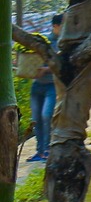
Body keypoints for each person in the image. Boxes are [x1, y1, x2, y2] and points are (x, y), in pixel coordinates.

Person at [26, 17, 56, 163]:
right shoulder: (46, 41)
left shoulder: (63, 43)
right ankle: (39, 151)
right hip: (37, 86)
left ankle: (48, 149)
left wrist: (46, 70)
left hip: (52, 85)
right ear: (56, 26)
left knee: (47, 115)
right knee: (36, 119)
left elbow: (63, 64)